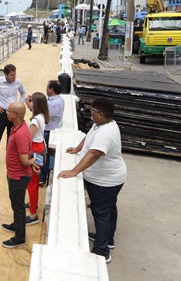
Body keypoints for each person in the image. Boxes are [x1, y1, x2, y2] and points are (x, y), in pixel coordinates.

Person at [58, 97, 127, 264]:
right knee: (109, 208)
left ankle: (101, 251)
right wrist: (77, 149)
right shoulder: (102, 124)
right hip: (110, 178)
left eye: (92, 111)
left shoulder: (105, 132)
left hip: (105, 181)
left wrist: (74, 171)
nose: (90, 113)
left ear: (101, 114)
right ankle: (108, 239)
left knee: (101, 212)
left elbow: (94, 154)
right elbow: (89, 135)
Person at [1, 102, 36, 248]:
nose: (6, 113)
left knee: (18, 206)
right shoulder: (18, 127)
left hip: (18, 176)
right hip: (14, 174)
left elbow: (24, 160)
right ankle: (16, 225)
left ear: (15, 114)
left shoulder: (21, 133)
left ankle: (20, 238)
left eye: (8, 111)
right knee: (16, 204)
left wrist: (32, 161)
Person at [24, 92, 49, 226]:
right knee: (34, 181)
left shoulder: (35, 120)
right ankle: (33, 205)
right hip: (39, 149)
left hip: (34, 150)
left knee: (32, 183)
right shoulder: (41, 116)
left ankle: (33, 214)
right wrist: (28, 103)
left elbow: (28, 136)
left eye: (31, 101)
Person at [39, 80, 65, 185]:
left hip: (48, 131)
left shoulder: (53, 103)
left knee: (44, 155)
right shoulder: (60, 100)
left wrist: (32, 108)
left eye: (47, 87)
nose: (46, 89)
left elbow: (44, 117)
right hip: (52, 129)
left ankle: (41, 177)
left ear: (52, 90)